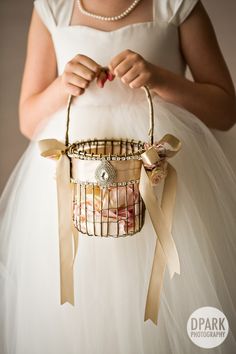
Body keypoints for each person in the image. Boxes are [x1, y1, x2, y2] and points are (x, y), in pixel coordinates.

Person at [0, 0, 236, 353]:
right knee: (81, 312)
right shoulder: (53, 7)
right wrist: (63, 85)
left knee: (163, 299)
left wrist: (160, 79)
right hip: (75, 186)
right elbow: (28, 120)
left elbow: (225, 110)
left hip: (157, 180)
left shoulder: (176, 5)